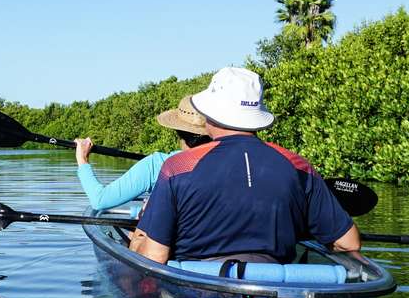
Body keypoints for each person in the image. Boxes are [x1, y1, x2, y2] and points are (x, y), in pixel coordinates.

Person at [130, 67, 361, 264]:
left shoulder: (177, 166)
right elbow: (348, 243)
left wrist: (138, 241)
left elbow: (154, 257)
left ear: (209, 113)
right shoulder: (298, 165)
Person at [72, 95, 212, 211]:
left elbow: (100, 200)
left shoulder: (157, 164)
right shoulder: (228, 162)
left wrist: (82, 159)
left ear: (177, 131)